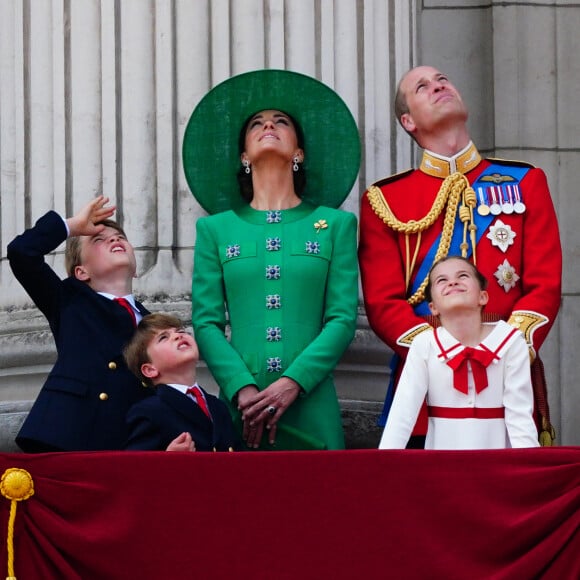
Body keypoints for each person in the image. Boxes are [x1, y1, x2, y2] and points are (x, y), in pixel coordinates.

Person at [358, 65, 562, 446]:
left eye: (443, 80)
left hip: (509, 381)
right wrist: (439, 355)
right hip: (425, 392)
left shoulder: (524, 182)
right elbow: (383, 302)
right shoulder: (384, 200)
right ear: (408, 121)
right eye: (423, 87)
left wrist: (502, 351)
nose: (438, 86)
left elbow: (545, 284)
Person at [182, 69, 361, 450]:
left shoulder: (336, 225)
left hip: (311, 401)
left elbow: (342, 318)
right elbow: (207, 321)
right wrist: (240, 387)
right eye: (256, 124)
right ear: (244, 155)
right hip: (242, 408)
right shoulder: (216, 230)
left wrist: (294, 382)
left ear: (299, 152)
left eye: (281, 121)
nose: (269, 125)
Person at [7, 196, 151, 452]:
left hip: (127, 442)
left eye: (120, 237)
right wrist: (71, 226)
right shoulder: (70, 300)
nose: (115, 239)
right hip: (68, 432)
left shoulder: (154, 324)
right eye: (98, 239)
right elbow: (22, 252)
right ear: (81, 272)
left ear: (136, 269)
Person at [379, 256, 540, 449]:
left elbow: (520, 417)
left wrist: (530, 470)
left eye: (463, 276)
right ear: (433, 307)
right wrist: (385, 466)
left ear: (483, 297)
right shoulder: (424, 344)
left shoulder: (511, 342)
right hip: (442, 466)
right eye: (441, 280)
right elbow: (402, 414)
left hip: (497, 465)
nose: (452, 282)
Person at [122, 313, 241, 452]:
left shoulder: (218, 406)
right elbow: (134, 468)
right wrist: (168, 459)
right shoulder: (149, 411)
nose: (178, 335)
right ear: (150, 370)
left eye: (181, 331)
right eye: (163, 337)